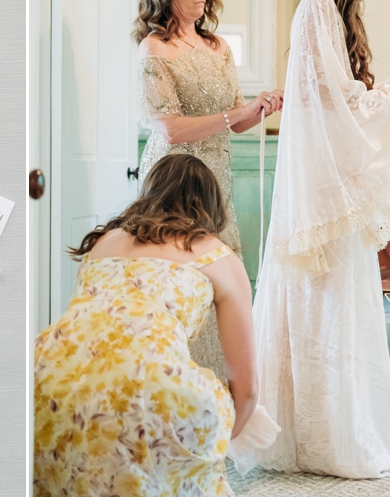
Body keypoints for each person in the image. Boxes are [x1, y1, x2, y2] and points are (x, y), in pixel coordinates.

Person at [251, 0, 390, 477]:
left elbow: (340, 95)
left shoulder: (335, 11)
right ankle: (323, 437)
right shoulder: (317, 7)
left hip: (331, 182)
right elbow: (332, 98)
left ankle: (352, 419)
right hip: (322, 188)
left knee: (341, 301)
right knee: (324, 297)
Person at [34, 154, 258, 496]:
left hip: (47, 375)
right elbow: (246, 388)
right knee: (198, 403)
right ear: (212, 204)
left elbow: (87, 335)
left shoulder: (102, 244)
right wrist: (217, 443)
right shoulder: (218, 255)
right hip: (147, 383)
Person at [135, 0, 283, 383]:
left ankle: (218, 394)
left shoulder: (218, 46)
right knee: (179, 280)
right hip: (173, 179)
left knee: (219, 279)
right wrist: (236, 114)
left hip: (216, 177)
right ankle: (174, 386)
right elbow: (171, 130)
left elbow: (234, 122)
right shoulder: (154, 47)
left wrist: (260, 109)